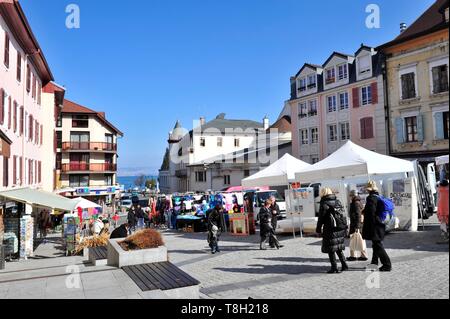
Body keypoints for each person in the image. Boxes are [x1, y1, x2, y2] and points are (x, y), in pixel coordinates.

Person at [316, 188, 349, 274]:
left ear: (323, 193)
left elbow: (321, 218)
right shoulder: (337, 201)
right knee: (338, 247)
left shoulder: (324, 203)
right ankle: (344, 265)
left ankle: (334, 267)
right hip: (339, 227)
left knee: (331, 248)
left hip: (330, 228)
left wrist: (318, 229)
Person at [362, 181, 392, 272]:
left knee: (378, 245)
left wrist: (364, 212)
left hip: (374, 226)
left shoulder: (371, 198)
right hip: (379, 224)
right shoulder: (378, 196)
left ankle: (387, 264)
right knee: (375, 245)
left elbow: (371, 213)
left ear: (368, 189)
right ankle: (374, 263)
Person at [347, 190, 368, 261]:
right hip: (358, 224)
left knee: (354, 240)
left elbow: (358, 215)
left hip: (356, 224)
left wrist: (357, 227)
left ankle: (354, 256)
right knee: (360, 240)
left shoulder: (355, 203)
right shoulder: (357, 202)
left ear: (353, 196)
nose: (350, 197)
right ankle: (362, 255)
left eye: (350, 196)